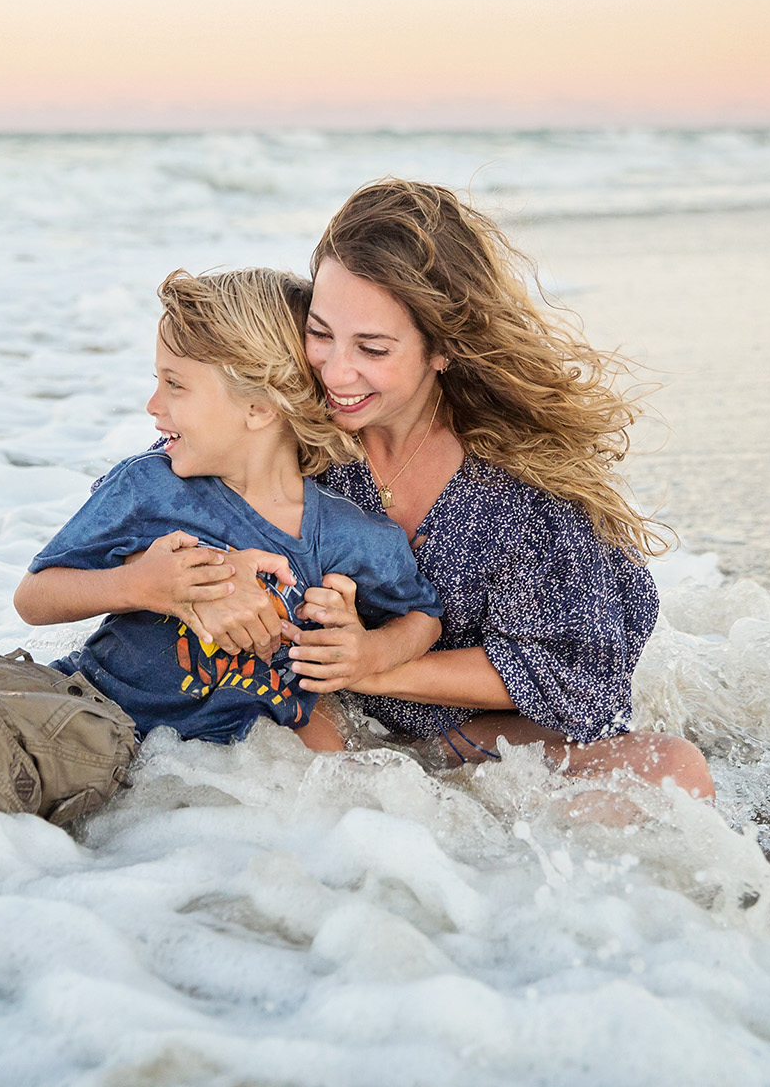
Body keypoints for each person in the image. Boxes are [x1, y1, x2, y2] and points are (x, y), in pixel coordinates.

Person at [0, 267, 443, 824]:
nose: (154, 407)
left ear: (258, 407)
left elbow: (424, 614)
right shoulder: (147, 486)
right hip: (71, 686)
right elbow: (36, 597)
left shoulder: (346, 534)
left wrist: (372, 652)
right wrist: (142, 586)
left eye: (175, 385)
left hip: (133, 743)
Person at [194, 179, 716, 801]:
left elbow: (578, 668)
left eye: (373, 348)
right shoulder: (289, 424)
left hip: (469, 740)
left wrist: (373, 666)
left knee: (673, 772)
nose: (335, 371)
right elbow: (156, 494)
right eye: (321, 333)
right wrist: (187, 581)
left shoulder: (518, 487)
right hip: (310, 728)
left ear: (442, 348)